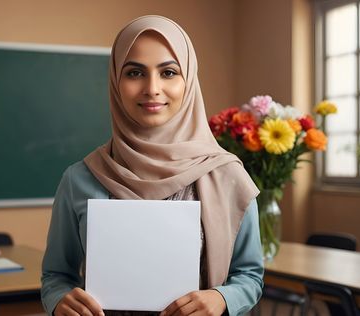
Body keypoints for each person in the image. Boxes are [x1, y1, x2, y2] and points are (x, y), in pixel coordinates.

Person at [41, 15, 263, 316]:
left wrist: (221, 299)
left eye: (169, 72)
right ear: (115, 81)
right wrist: (59, 301)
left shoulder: (227, 175)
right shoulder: (80, 178)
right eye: (134, 73)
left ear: (189, 80)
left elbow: (250, 276)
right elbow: (55, 276)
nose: (152, 88)